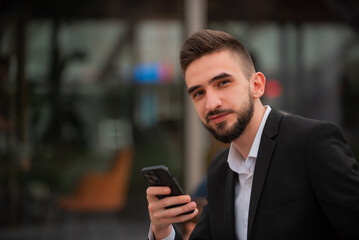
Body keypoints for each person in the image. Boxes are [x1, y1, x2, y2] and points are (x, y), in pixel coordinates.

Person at [145, 29, 359, 240]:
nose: (211, 104)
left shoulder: (311, 143)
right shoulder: (220, 170)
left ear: (257, 85)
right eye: (199, 93)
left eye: (222, 83)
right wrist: (162, 231)